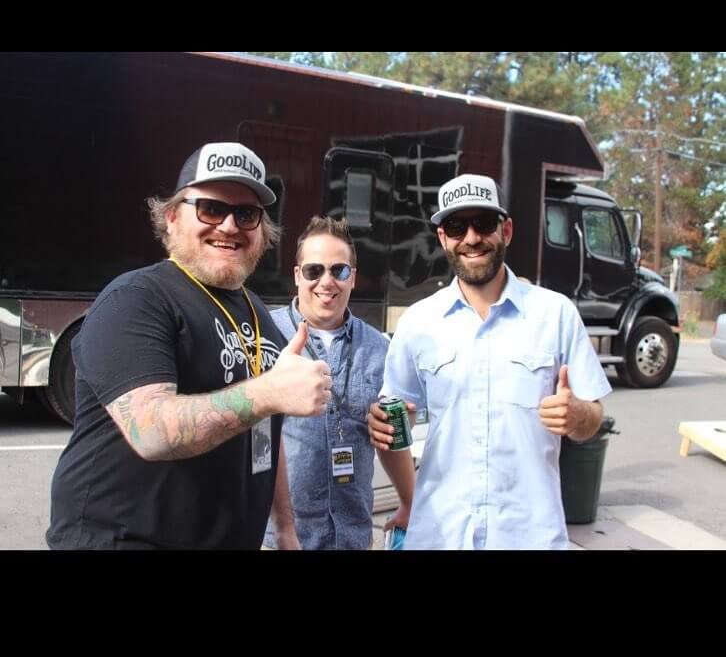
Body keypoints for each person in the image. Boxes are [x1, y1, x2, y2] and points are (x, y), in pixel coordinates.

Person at [46, 141, 332, 550]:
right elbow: (152, 431)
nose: (230, 226)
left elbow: (265, 429)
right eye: (211, 209)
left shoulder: (257, 313)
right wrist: (268, 392)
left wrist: (285, 527)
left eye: (246, 214)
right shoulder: (136, 298)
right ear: (172, 217)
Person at [367, 174, 612, 550]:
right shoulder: (418, 323)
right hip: (440, 534)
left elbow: (592, 420)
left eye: (483, 223)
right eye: (455, 226)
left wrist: (577, 414)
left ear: (507, 230)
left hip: (530, 534)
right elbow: (396, 420)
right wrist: (388, 429)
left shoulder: (555, 314)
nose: (471, 238)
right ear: (442, 239)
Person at [264, 216, 416, 549]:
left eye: (339, 270)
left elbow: (389, 438)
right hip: (282, 540)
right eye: (314, 270)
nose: (326, 282)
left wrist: (409, 500)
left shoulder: (379, 348)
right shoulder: (265, 336)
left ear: (353, 278)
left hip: (351, 537)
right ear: (297, 275)